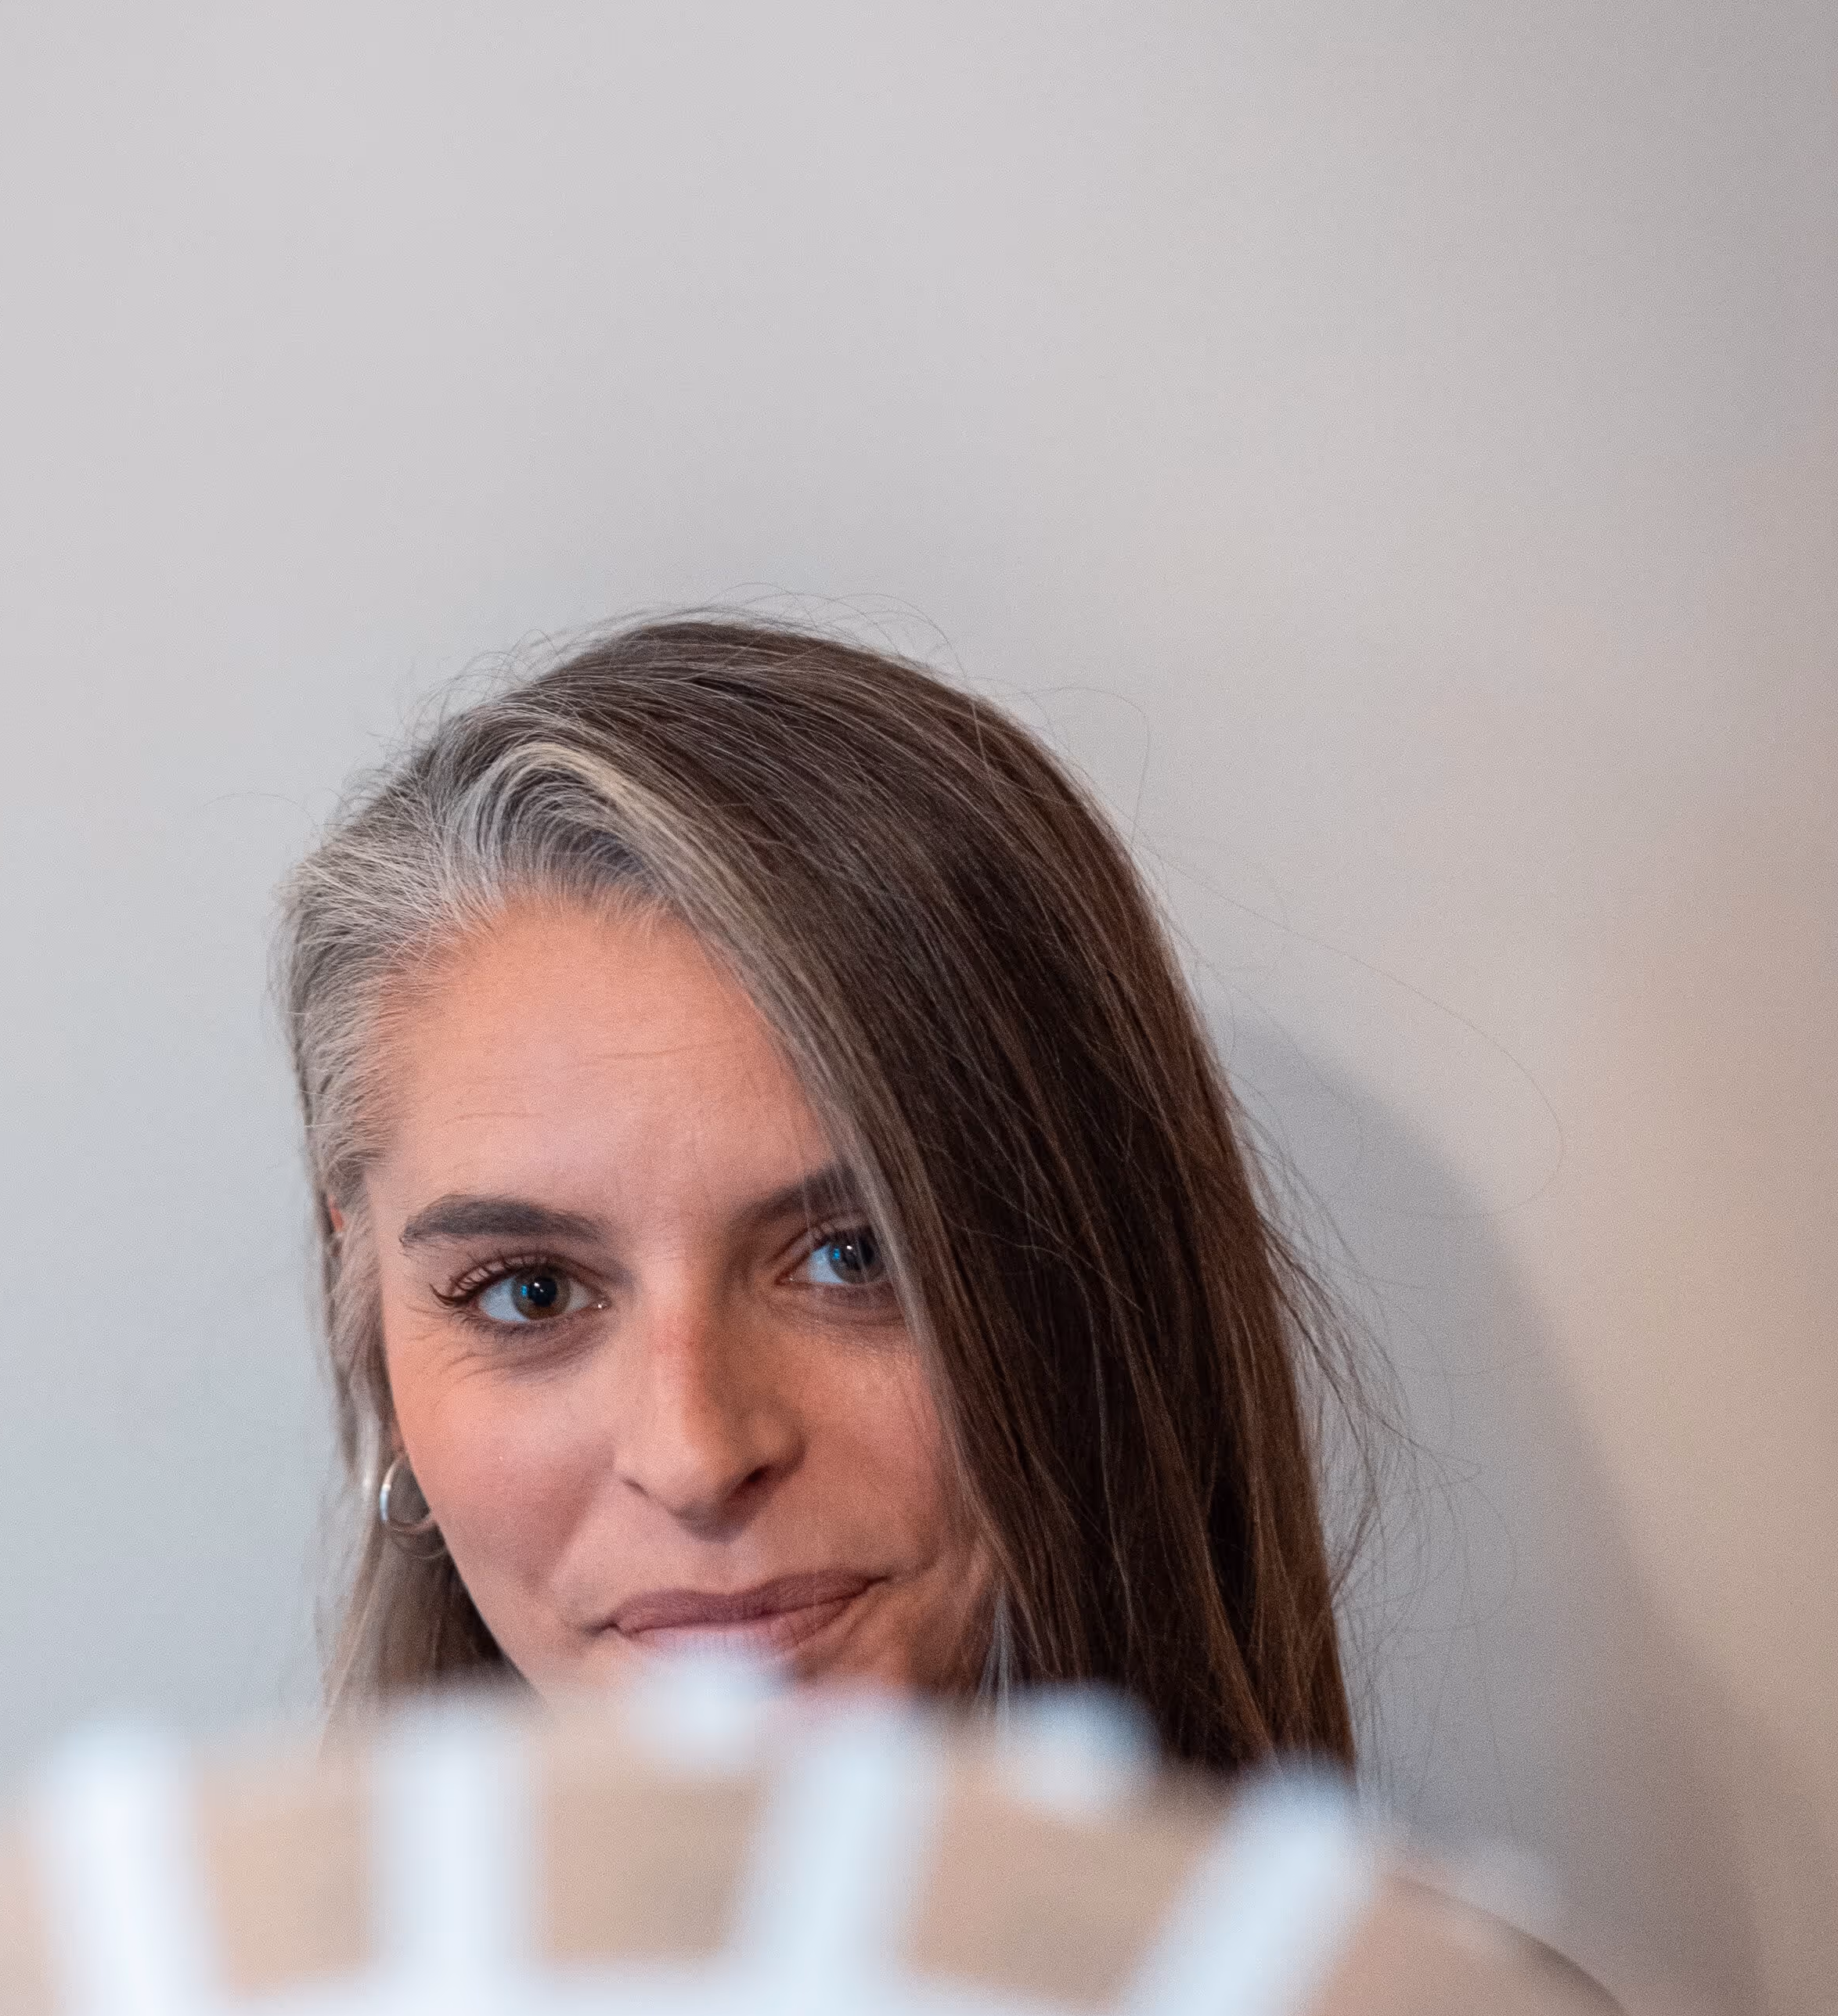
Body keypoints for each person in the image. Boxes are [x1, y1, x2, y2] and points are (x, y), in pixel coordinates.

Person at [275, 616, 1366, 1765]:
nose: (695, 1456)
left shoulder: (1431, 1955)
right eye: (531, 1293)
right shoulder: (138, 1942)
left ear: (1120, 1282)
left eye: (861, 1256)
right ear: (372, 1332)